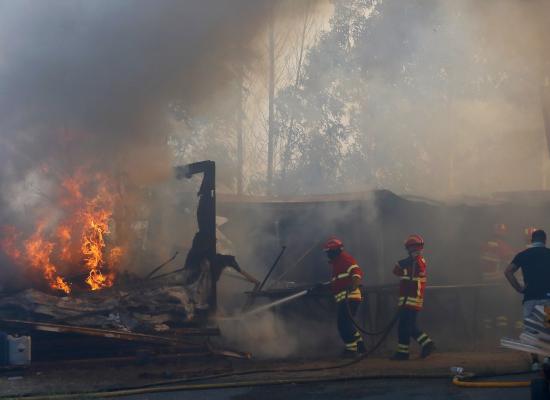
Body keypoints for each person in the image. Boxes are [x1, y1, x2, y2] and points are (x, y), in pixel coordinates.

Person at [505, 229, 550, 371]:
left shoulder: (523, 255)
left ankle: (535, 362)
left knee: (531, 331)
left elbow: (508, 271)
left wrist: (519, 288)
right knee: (548, 328)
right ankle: (548, 359)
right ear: (545, 240)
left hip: (530, 299)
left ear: (532, 240)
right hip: (547, 298)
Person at [391, 234, 435, 360]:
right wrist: (405, 262)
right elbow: (396, 271)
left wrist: (404, 263)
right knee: (404, 326)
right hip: (408, 299)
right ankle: (402, 352)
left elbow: (399, 271)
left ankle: (427, 344)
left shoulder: (419, 262)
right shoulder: (413, 262)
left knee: (409, 326)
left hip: (412, 299)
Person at [323, 237, 366, 357]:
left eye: (329, 252)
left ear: (335, 251)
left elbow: (357, 272)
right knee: (347, 323)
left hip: (350, 298)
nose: (328, 255)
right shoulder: (336, 264)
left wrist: (354, 284)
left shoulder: (345, 259)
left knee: (343, 324)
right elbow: (338, 282)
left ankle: (351, 350)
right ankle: (360, 345)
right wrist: (324, 287)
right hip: (347, 298)